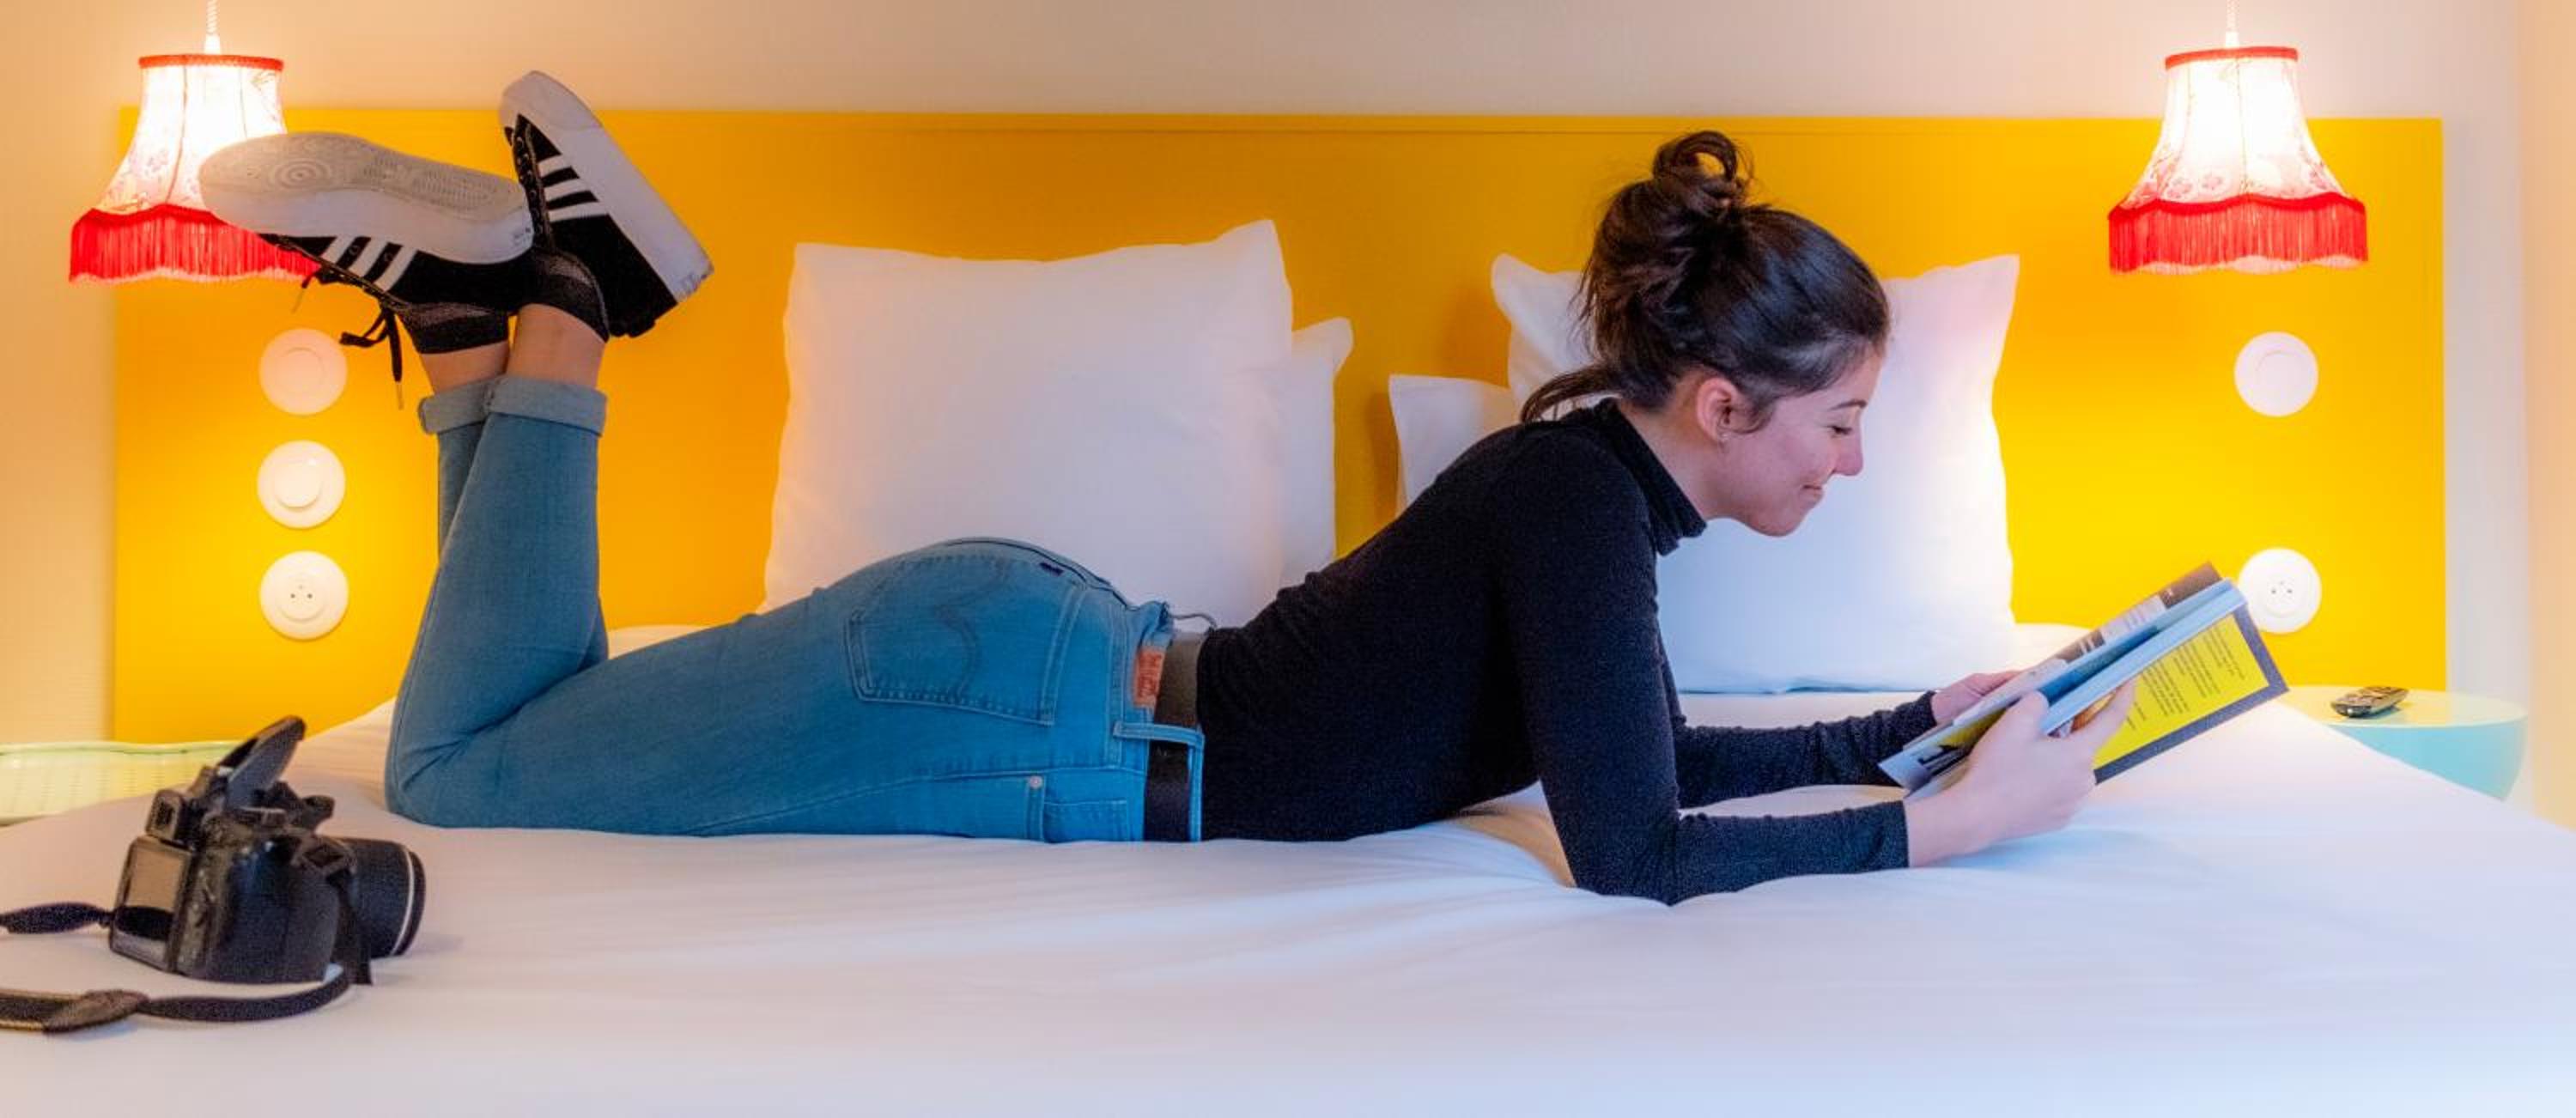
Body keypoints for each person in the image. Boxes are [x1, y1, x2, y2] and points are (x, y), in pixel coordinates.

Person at [202, 72, 2136, 906]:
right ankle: (562, 305)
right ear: (1719, 402)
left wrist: (1909, 726)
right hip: (999, 712)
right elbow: (1631, 850)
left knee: (501, 733)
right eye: (1839, 422)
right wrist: (1948, 831)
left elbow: (1628, 757)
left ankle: (470, 325)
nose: (1852, 461)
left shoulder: (1587, 493)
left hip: (1019, 670)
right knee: (455, 769)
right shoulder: (1574, 503)